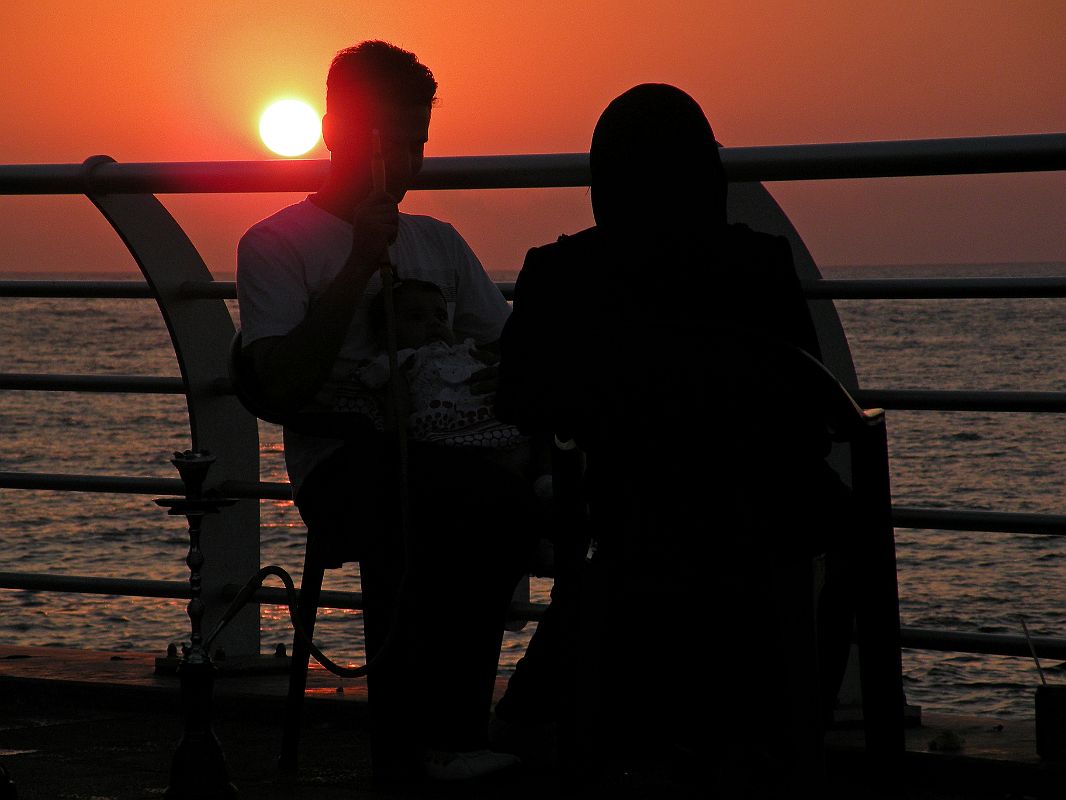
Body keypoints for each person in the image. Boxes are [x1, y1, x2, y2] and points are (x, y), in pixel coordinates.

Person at [494, 83, 854, 794]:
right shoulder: (758, 263)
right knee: (839, 519)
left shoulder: (560, 272)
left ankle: (630, 720)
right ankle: (792, 728)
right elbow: (809, 407)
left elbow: (523, 400)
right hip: (760, 511)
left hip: (623, 509)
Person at [236, 40, 533, 784]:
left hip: (449, 454)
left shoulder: (439, 240)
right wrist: (359, 264)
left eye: (420, 141)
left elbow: (506, 352)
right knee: (455, 502)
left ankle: (480, 726)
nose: (409, 161)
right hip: (343, 467)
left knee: (503, 497)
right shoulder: (277, 244)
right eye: (393, 139)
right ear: (339, 133)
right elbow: (283, 384)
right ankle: (424, 745)